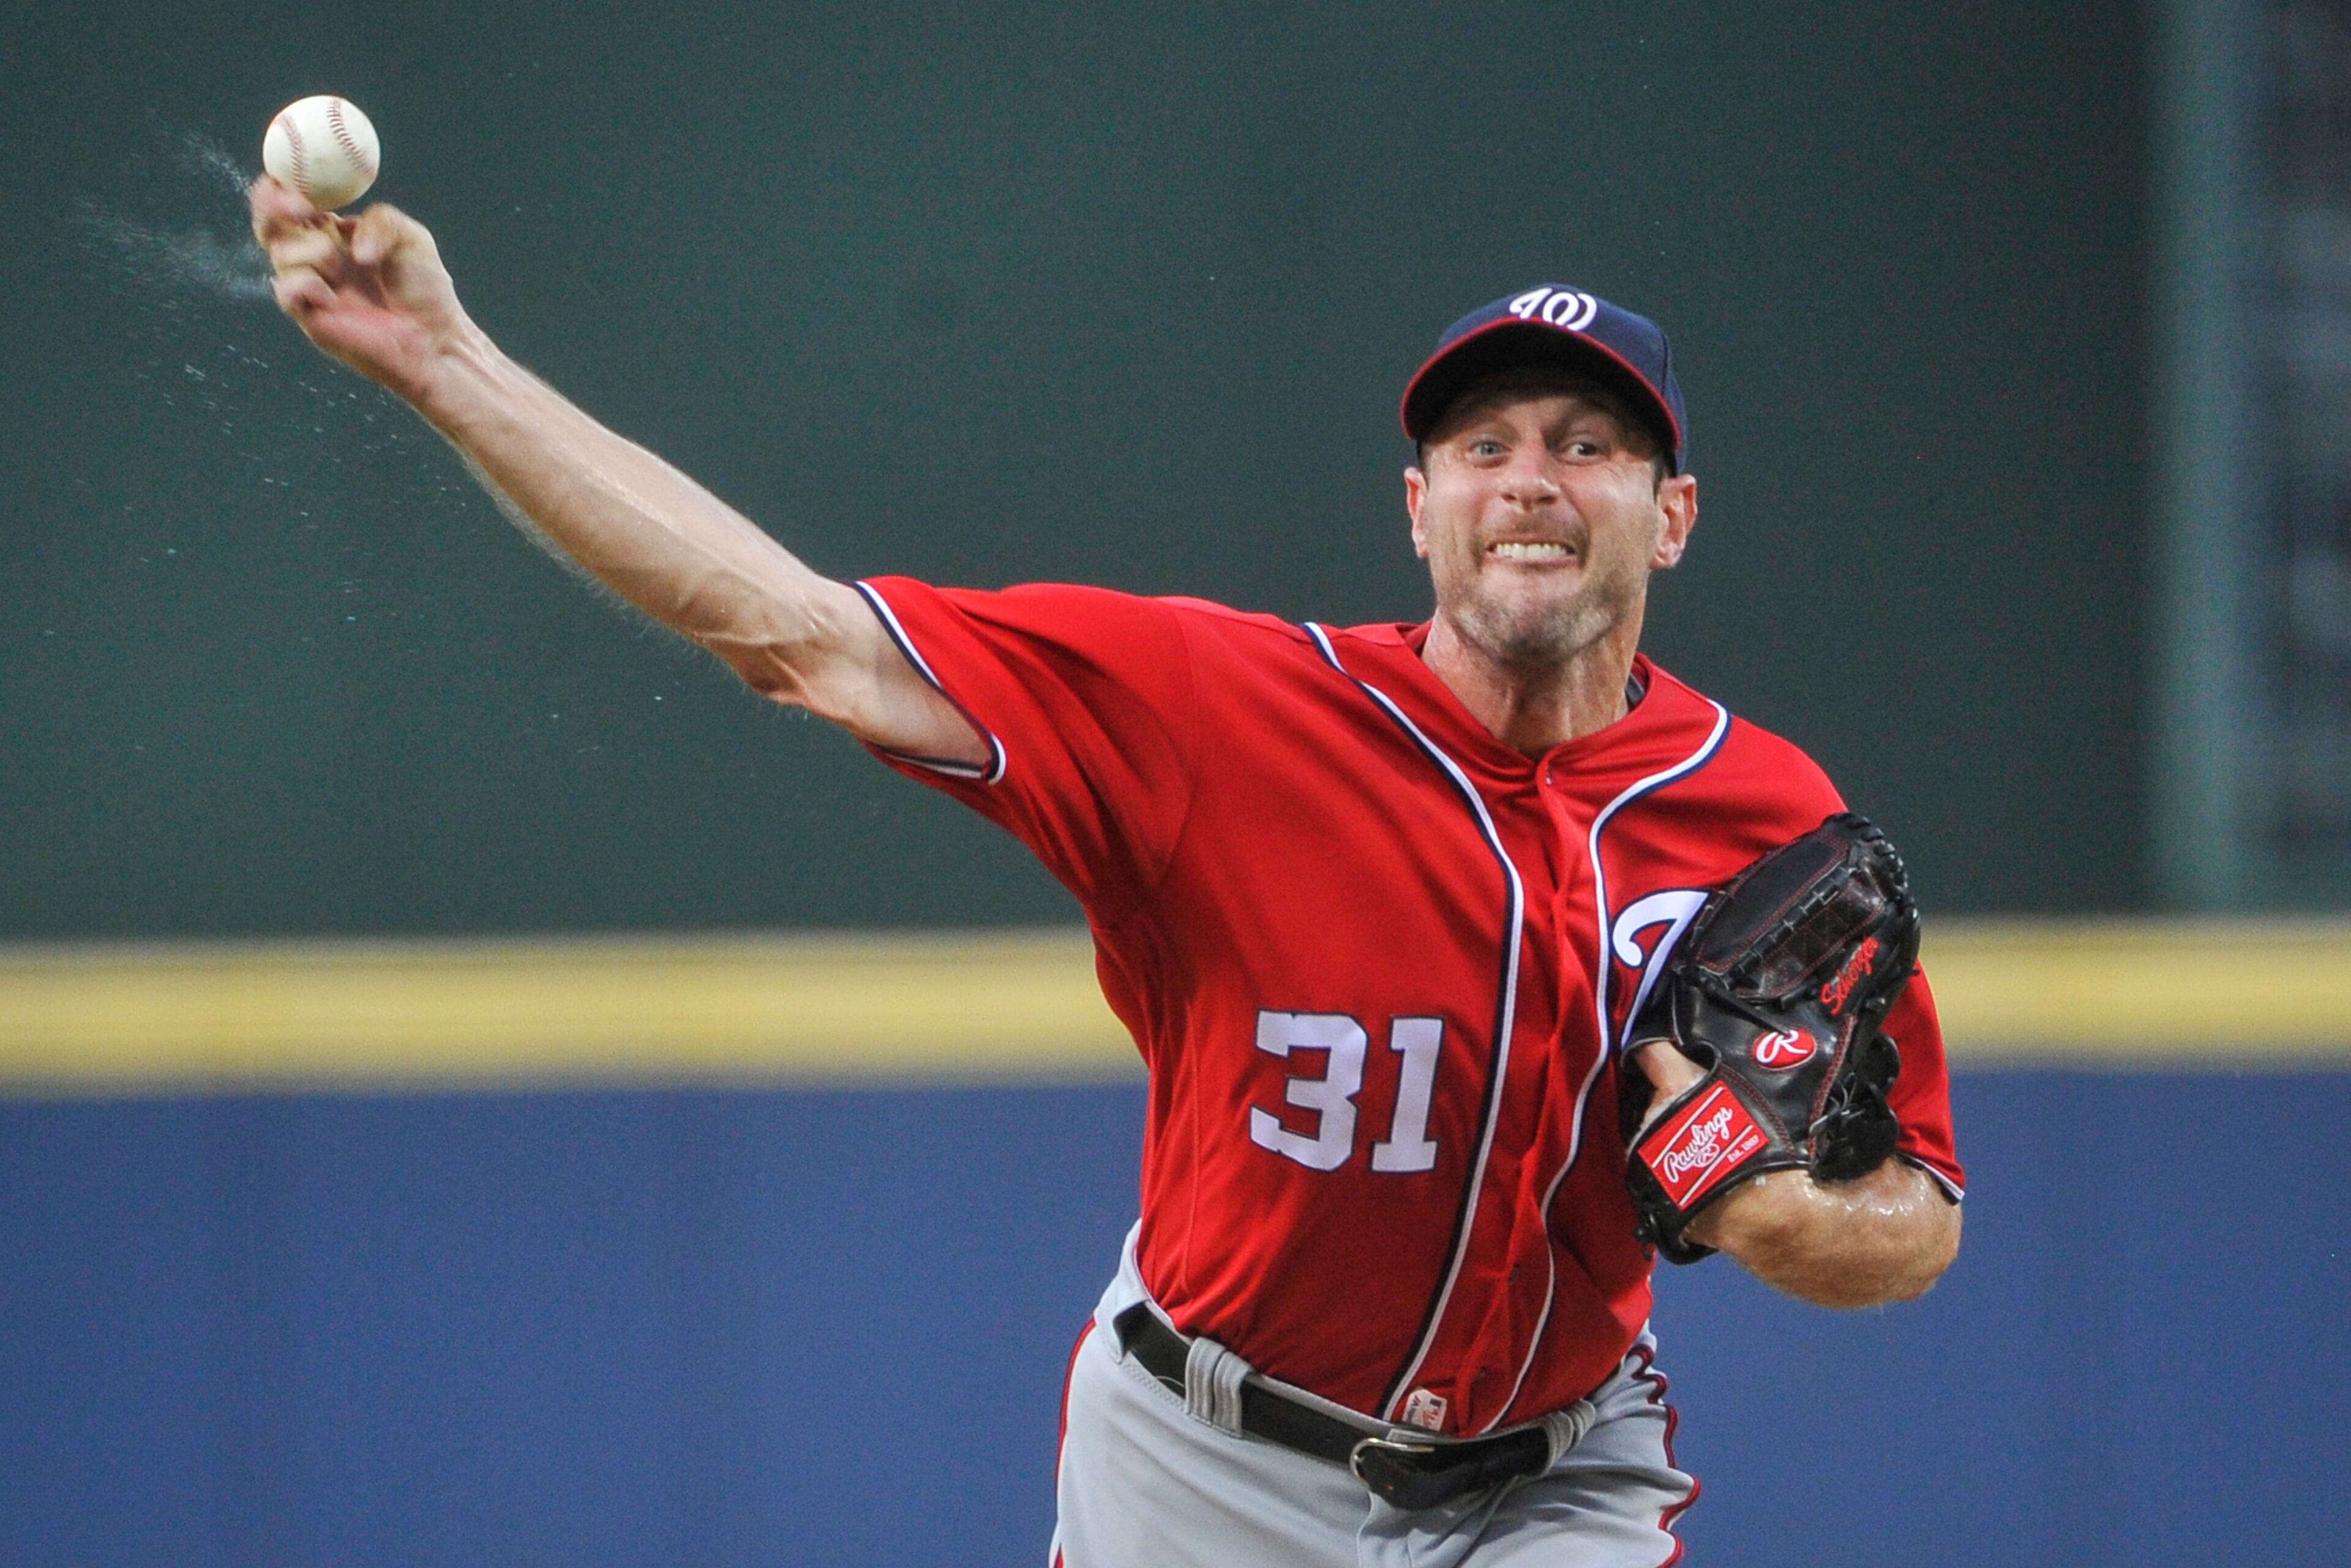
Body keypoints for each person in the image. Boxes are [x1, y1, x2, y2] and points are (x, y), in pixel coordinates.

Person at [250, 179, 1963, 1567]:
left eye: (1591, 444)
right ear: (1420, 506)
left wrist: (1796, 1215)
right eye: (1487, 444)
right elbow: (792, 632)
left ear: (1669, 514)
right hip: (1205, 1475)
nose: (1534, 480)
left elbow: (1920, 1219)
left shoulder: (1761, 814)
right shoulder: (1219, 713)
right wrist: (446, 365)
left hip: (1554, 1480)